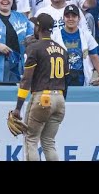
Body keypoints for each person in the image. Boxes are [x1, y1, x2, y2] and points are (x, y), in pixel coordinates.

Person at [11, 13, 68, 161]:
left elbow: (26, 79)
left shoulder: (34, 48)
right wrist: (61, 100)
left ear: (38, 27)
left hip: (42, 97)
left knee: (31, 140)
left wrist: (18, 107)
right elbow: (66, 81)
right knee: (48, 143)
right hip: (60, 98)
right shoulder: (62, 50)